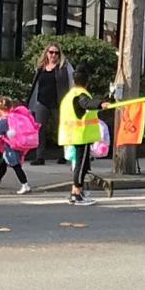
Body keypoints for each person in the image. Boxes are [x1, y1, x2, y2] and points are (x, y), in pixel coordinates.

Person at [57, 67, 108, 206]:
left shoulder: (70, 94)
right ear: (87, 81)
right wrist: (100, 104)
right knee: (80, 166)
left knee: (83, 165)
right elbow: (86, 104)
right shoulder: (80, 94)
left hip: (74, 134)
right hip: (81, 135)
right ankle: (76, 194)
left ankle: (77, 192)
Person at [27, 42, 73, 166]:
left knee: (61, 129)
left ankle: (64, 154)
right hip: (42, 102)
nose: (53, 55)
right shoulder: (40, 68)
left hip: (58, 102)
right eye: (51, 52)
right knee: (39, 130)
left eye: (56, 53)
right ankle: (40, 156)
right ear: (46, 53)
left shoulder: (64, 68)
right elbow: (35, 86)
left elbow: (71, 83)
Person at [0, 95, 35, 195]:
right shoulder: (15, 116)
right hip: (18, 143)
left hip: (11, 146)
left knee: (16, 166)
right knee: (3, 161)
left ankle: (25, 185)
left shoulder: (3, 121)